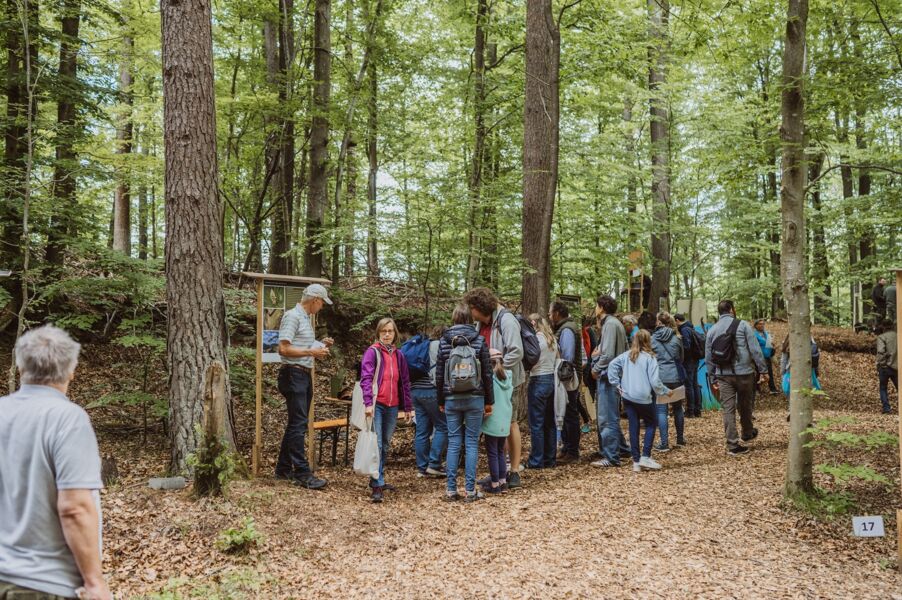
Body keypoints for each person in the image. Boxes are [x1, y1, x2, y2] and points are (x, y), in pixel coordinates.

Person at [0, 326, 112, 600]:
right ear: (71, 371)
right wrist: (95, 583)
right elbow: (74, 507)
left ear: (20, 367)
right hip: (41, 584)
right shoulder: (67, 419)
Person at [464, 287, 524, 488]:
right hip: (489, 384)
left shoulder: (506, 320)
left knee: (510, 423)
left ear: (481, 307)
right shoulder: (480, 324)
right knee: (496, 427)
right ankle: (499, 473)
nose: (471, 312)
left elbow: (517, 351)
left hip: (507, 382)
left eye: (473, 308)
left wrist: (498, 369)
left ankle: (514, 470)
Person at [275, 283, 334, 489]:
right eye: (322, 303)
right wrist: (312, 353)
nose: (322, 307)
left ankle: (283, 469)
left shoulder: (305, 318)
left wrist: (320, 346)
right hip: (293, 374)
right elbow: (283, 348)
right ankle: (302, 472)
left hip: (302, 374)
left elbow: (300, 345)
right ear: (315, 300)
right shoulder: (292, 316)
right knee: (298, 424)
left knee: (296, 423)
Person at [436, 304, 494, 502]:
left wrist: (440, 400)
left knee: (453, 443)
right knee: (471, 443)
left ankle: (451, 490)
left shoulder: (444, 341)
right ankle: (470, 490)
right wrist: (489, 401)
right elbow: (487, 372)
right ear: (471, 319)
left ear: (453, 319)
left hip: (451, 398)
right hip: (475, 398)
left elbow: (438, 374)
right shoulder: (478, 340)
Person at [359, 318, 413, 503]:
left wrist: (407, 407)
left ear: (395, 333)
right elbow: (366, 378)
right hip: (377, 405)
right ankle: (377, 484)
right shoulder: (372, 352)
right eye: (384, 331)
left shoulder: (399, 355)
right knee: (378, 444)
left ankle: (378, 476)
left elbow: (405, 382)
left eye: (390, 331)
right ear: (378, 333)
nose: (387, 334)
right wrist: (368, 403)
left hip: (393, 405)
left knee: (385, 444)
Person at [704, 300, 768, 456]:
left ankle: (732, 445)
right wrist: (763, 370)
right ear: (731, 309)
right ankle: (747, 432)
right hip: (744, 373)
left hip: (723, 375)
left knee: (728, 409)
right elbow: (754, 349)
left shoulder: (712, 330)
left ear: (719, 312)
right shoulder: (743, 325)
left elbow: (708, 357)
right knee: (745, 404)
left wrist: (712, 378)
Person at [607, 329, 673, 472]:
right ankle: (645, 456)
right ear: (648, 341)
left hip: (627, 396)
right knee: (651, 423)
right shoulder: (650, 358)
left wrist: (616, 384)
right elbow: (655, 382)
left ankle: (636, 461)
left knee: (633, 426)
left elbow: (612, 365)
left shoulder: (626, 356)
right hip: (643, 397)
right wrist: (666, 391)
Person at [590, 294, 630, 467]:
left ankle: (611, 456)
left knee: (607, 417)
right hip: (614, 375)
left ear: (602, 307)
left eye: (596, 306)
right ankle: (622, 449)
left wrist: (595, 369)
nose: (595, 309)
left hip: (608, 376)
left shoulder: (611, 325)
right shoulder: (614, 324)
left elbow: (607, 354)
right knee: (610, 415)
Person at [550, 301, 583, 464]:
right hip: (566, 377)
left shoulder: (567, 329)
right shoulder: (566, 327)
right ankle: (566, 447)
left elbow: (567, 357)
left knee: (570, 414)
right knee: (565, 411)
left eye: (550, 313)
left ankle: (573, 452)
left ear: (557, 313)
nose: (550, 317)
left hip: (568, 378)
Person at [411, 326, 446, 478]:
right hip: (431, 391)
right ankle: (434, 464)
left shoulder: (421, 346)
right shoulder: (439, 346)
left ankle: (422, 467)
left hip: (415, 391)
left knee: (422, 430)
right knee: (443, 426)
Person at [526, 314, 559, 469]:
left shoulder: (536, 340)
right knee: (549, 422)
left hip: (538, 379)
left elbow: (532, 361)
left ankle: (536, 460)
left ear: (533, 324)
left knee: (537, 423)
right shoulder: (552, 340)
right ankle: (550, 458)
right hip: (552, 380)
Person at [650, 312, 686, 452]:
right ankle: (680, 439)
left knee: (661, 411)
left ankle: (664, 443)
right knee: (678, 408)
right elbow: (681, 358)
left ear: (658, 322)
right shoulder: (677, 338)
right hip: (676, 376)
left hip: (660, 377)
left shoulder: (652, 339)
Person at [482, 350, 513, 493]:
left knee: (492, 453)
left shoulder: (489, 380)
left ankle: (494, 484)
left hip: (492, 419)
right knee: (501, 451)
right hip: (505, 419)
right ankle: (503, 482)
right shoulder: (508, 377)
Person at [674, 314, 702, 417]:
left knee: (689, 386)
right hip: (695, 360)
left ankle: (691, 411)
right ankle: (697, 410)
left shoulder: (685, 330)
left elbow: (686, 346)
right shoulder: (690, 328)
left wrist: (679, 340)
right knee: (695, 384)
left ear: (677, 320)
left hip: (689, 361)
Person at [876, 319, 898, 414]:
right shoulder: (898, 336)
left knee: (883, 388)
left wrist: (882, 364)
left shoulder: (881, 337)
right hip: (897, 367)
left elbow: (881, 352)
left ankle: (886, 409)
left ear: (883, 327)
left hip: (885, 367)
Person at [753, 319, 778, 394]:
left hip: (768, 356)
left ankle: (772, 389)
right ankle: (756, 389)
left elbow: (770, 343)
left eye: (763, 324)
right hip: (759, 357)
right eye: (760, 324)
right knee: (758, 373)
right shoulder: (754, 335)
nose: (762, 325)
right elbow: (754, 346)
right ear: (756, 325)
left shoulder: (767, 333)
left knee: (769, 372)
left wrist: (773, 345)